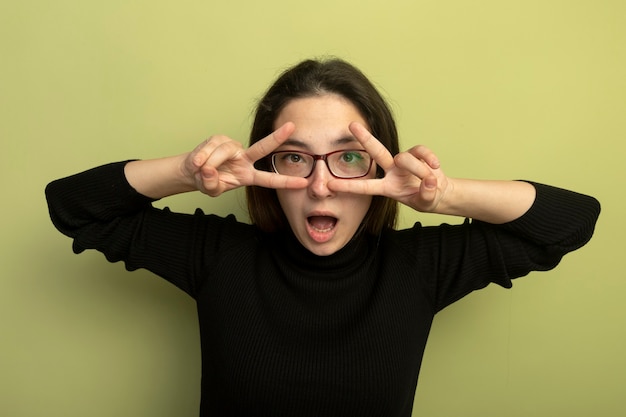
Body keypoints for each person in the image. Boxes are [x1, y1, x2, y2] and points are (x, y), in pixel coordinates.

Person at [45, 58, 601, 417]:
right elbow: (74, 207)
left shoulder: (419, 268)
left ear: (379, 169)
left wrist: (443, 195)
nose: (320, 184)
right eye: (295, 157)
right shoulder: (219, 257)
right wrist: (189, 172)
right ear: (265, 166)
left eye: (349, 158)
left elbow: (571, 220)